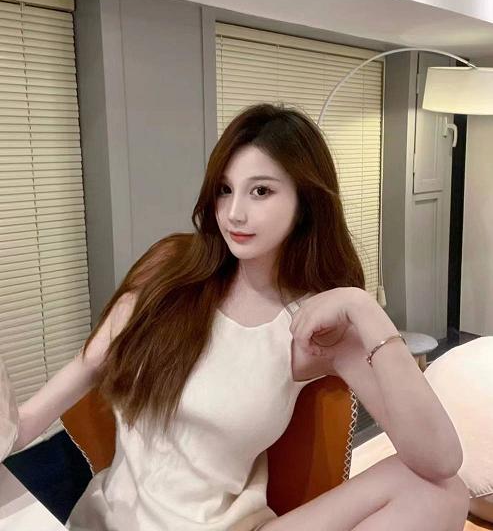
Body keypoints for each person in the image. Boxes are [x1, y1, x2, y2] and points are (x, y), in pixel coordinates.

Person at [2, 103, 469, 530]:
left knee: (443, 494)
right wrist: (13, 422)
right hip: (117, 522)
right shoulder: (169, 270)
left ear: (305, 202)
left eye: (260, 191)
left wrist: (367, 312)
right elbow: (74, 378)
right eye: (225, 190)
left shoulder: (313, 327)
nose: (234, 213)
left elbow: (440, 461)